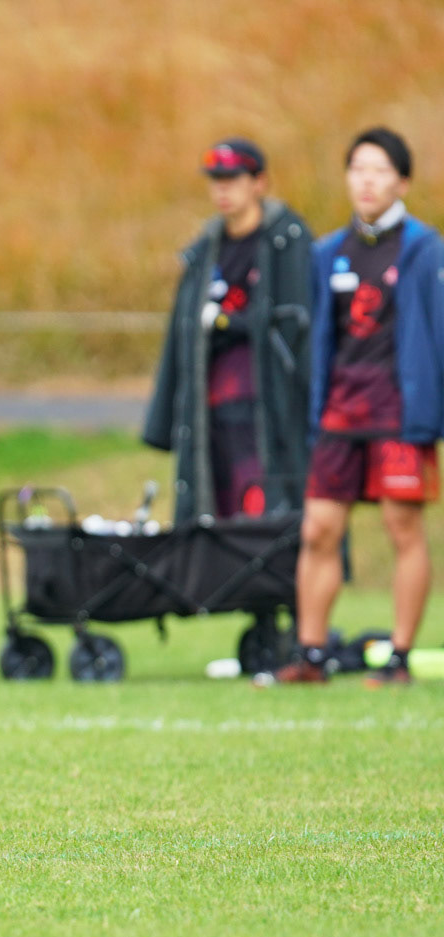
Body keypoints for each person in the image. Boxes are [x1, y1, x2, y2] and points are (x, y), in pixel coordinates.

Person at [273, 128, 444, 687]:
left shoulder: (424, 248)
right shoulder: (328, 252)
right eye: (358, 169)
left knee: (402, 527)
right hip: (340, 413)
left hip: (400, 412)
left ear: (403, 182)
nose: (367, 181)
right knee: (318, 529)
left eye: (379, 170)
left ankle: (399, 657)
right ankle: (311, 654)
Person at [144, 138, 315, 522]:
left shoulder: (288, 242)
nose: (222, 190)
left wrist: (227, 322)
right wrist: (162, 421)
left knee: (264, 511)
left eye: (233, 180)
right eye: (216, 181)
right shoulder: (204, 251)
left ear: (259, 183)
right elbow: (179, 338)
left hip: (269, 407)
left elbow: (299, 326)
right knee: (213, 508)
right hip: (211, 410)